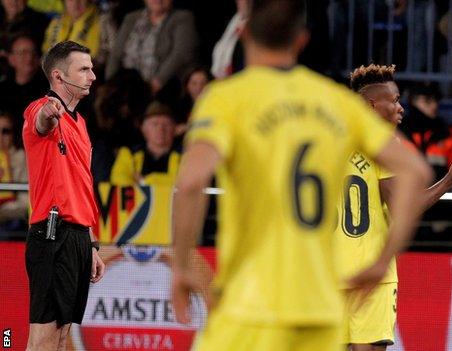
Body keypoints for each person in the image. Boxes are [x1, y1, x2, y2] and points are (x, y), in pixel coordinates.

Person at [171, 1, 433, 350]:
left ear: (244, 33)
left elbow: (190, 182)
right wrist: (382, 261)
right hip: (319, 302)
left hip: (254, 296)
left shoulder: (226, 98)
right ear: (302, 41)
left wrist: (181, 262)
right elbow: (416, 171)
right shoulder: (333, 100)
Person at [339, 63, 452, 350]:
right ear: (371, 104)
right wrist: (450, 179)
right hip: (371, 274)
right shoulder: (383, 144)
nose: (401, 108)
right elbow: (403, 206)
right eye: (394, 101)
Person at [22, 40, 105, 351]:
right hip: (52, 236)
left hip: (77, 239)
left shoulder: (81, 123)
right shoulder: (40, 109)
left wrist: (91, 243)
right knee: (43, 339)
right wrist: (48, 112)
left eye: (92, 68)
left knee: (60, 338)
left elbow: (80, 187)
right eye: (84, 69)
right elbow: (40, 121)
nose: (92, 76)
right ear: (58, 76)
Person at [105, 0, 199, 95]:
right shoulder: (131, 18)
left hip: (161, 88)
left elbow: (180, 54)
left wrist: (156, 83)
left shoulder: (183, 18)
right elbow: (115, 54)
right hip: (126, 86)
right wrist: (110, 84)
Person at [399, 82, 452, 180]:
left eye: (436, 100)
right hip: (405, 190)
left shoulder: (447, 133)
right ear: (412, 101)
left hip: (440, 191)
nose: (434, 106)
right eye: (427, 100)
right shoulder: (398, 132)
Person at [110, 101, 180, 186]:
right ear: (143, 128)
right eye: (155, 124)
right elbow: (118, 182)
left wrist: (144, 182)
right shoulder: (129, 154)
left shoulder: (186, 156)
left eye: (166, 124)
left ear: (175, 129)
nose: (160, 129)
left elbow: (186, 184)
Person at [0, 34, 48, 139]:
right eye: (23, 53)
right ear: (11, 59)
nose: (29, 57)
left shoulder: (48, 89)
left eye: (33, 52)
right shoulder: (3, 89)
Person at [0, 112, 28, 235]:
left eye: (5, 131)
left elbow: (25, 204)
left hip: (11, 225)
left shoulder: (22, 158)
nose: (0, 136)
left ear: (12, 134)